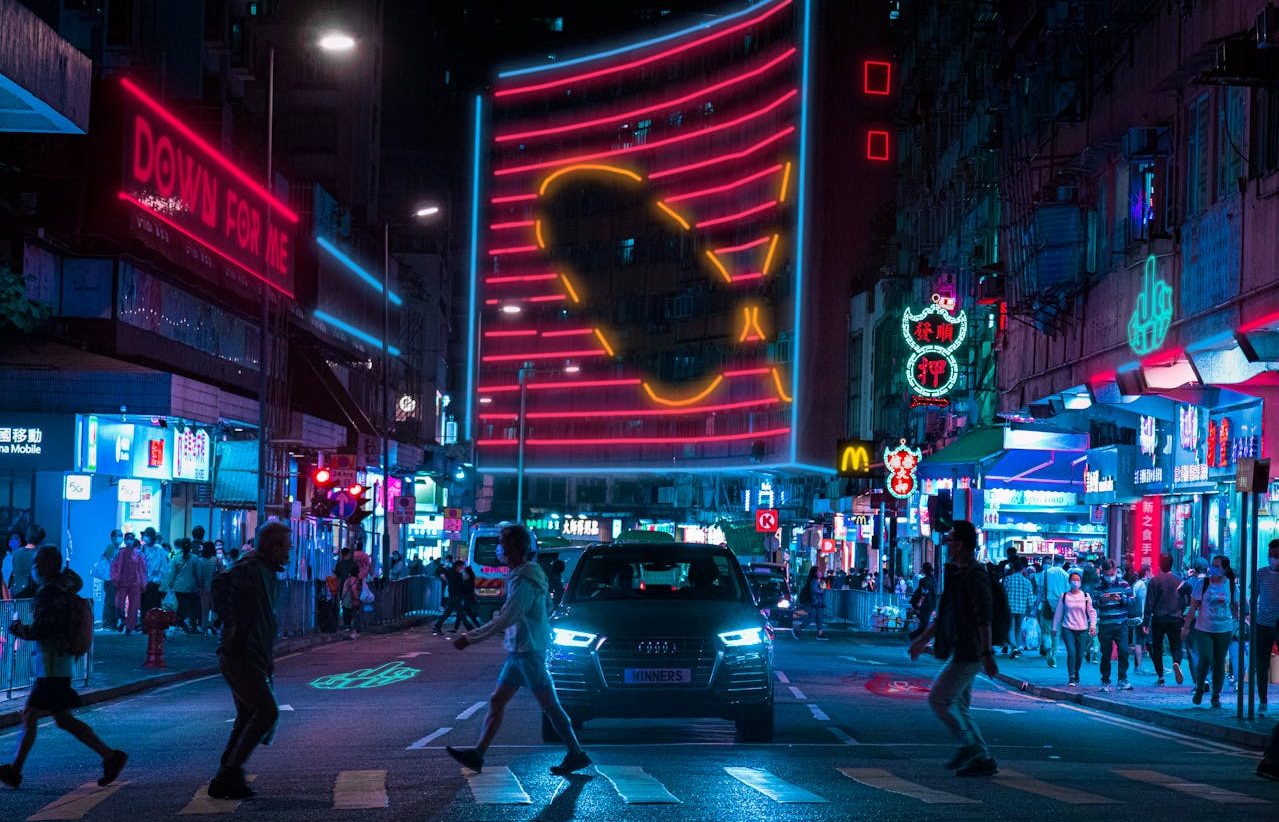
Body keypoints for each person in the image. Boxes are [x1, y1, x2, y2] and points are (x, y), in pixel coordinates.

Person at [446, 524, 590, 776]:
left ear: (514, 548)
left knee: (550, 705)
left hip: (529, 651)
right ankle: (478, 754)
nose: (499, 548)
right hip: (519, 651)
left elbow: (508, 616)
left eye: (502, 542)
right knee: (497, 700)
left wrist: (470, 638)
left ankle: (576, 753)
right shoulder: (522, 575)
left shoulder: (525, 579)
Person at [0, 547, 128, 790]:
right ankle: (109, 756)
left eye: (38, 563)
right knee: (58, 718)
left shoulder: (49, 593)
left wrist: (17, 628)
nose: (34, 568)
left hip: (51, 665)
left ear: (47, 565)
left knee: (39, 716)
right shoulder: (64, 588)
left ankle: (110, 756)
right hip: (58, 663)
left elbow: (42, 628)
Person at [207, 522, 291, 800]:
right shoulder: (251, 569)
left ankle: (226, 774)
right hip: (241, 653)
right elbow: (219, 585)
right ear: (274, 547)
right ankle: (230, 771)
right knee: (266, 712)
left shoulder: (265, 571)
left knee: (247, 715)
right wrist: (232, 625)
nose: (289, 551)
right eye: (287, 546)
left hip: (252, 653)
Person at [909, 520, 999, 777]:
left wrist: (987, 653)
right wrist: (921, 641)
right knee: (959, 706)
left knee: (938, 699)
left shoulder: (975, 575)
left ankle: (968, 745)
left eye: (950, 541)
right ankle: (982, 757)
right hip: (961, 648)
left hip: (971, 651)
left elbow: (984, 616)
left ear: (961, 545)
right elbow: (944, 614)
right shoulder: (955, 573)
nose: (947, 545)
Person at [1184, 555, 1239, 708]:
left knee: (1219, 662)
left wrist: (1236, 621)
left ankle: (1216, 696)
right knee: (1206, 658)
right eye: (1212, 565)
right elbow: (1193, 607)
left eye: (1217, 566)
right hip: (1204, 629)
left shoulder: (1231, 586)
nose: (1213, 568)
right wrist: (1186, 627)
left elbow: (1237, 606)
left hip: (1224, 630)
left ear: (1225, 569)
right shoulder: (1202, 584)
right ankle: (1200, 687)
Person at [1092, 559, 1134, 692]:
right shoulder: (1098, 586)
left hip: (1121, 624)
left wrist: (1121, 599)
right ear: (1103, 572)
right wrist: (1102, 599)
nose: (1109, 577)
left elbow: (1132, 602)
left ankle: (1122, 679)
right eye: (1107, 574)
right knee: (1106, 654)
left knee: (1124, 651)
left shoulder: (1124, 584)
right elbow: (1093, 603)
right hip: (1105, 625)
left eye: (1111, 574)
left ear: (1115, 571)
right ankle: (1105, 681)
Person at [1144, 554, 1185, 687]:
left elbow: (1149, 602)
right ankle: (1177, 663)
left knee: (1157, 647)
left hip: (1159, 618)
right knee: (1176, 646)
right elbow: (1184, 601)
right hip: (1176, 618)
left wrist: (1146, 621)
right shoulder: (1179, 581)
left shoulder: (1154, 581)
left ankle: (1161, 676)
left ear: (1160, 564)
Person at [1052, 571, 1097, 686]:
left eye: (1077, 580)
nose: (1075, 582)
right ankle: (1071, 676)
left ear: (1081, 582)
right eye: (1073, 579)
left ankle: (1076, 671)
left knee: (1080, 654)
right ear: (1069, 582)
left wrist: (1092, 625)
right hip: (1068, 628)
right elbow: (1058, 613)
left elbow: (1091, 612)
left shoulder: (1086, 596)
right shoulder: (1065, 596)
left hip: (1082, 629)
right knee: (1071, 652)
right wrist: (1054, 628)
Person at [1254, 540, 1279, 715]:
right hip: (1262, 624)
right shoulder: (1261, 573)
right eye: (1270, 555)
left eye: (1276, 555)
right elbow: (1253, 595)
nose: (1273, 558)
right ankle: (1263, 700)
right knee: (1262, 665)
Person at [109, 533, 147, 635]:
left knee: (134, 607)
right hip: (122, 582)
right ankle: (123, 620)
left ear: (133, 540)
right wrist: (114, 579)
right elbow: (114, 566)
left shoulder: (139, 554)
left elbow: (142, 570)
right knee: (118, 605)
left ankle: (129, 627)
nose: (129, 541)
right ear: (124, 540)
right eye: (127, 539)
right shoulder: (120, 553)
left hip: (135, 583)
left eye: (131, 539)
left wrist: (143, 583)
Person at [1040, 555, 1070, 667]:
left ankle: (1047, 647)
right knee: (1056, 632)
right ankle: (1054, 656)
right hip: (1060, 605)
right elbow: (1068, 593)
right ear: (1063, 562)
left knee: (1046, 630)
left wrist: (1035, 607)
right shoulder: (1066, 575)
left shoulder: (1046, 573)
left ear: (1053, 561)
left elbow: (1041, 591)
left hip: (1047, 604)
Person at [167, 542, 201, 634]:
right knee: (193, 607)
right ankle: (193, 626)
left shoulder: (176, 558)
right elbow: (198, 573)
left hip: (179, 587)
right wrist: (199, 584)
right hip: (192, 587)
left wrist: (170, 584)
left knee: (181, 606)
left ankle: (180, 623)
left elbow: (173, 573)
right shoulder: (195, 558)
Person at [1001, 566, 1032, 658]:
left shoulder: (1007, 579)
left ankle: (1014, 647)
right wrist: (1029, 610)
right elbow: (1030, 599)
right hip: (1022, 609)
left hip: (1009, 607)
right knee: (1018, 629)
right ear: (1022, 570)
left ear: (1013, 569)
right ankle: (1017, 648)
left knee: (1010, 628)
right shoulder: (1027, 581)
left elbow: (1004, 593)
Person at [97, 530, 123, 631]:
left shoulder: (119, 549)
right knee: (110, 601)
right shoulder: (110, 547)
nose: (119, 538)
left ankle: (112, 623)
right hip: (110, 579)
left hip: (116, 579)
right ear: (112, 538)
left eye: (120, 536)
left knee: (114, 601)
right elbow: (112, 562)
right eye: (117, 536)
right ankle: (108, 623)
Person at [8, 525, 43, 599]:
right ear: (40, 539)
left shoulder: (16, 553)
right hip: (32, 594)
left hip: (16, 592)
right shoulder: (39, 554)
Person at [434, 560, 468, 636]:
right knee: (461, 615)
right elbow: (454, 586)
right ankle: (472, 630)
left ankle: (437, 626)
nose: (462, 568)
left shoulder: (455, 573)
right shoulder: (454, 574)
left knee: (450, 613)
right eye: (461, 567)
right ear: (457, 566)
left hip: (455, 597)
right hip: (455, 597)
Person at [139, 528, 169, 613]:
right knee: (143, 604)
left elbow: (164, 567)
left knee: (154, 605)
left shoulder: (159, 549)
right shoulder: (142, 549)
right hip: (143, 583)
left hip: (155, 583)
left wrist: (158, 580)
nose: (146, 538)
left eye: (148, 536)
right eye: (145, 535)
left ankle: (153, 624)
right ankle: (143, 623)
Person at [794, 566, 827, 640]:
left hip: (819, 602)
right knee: (811, 617)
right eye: (819, 571)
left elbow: (823, 589)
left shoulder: (821, 581)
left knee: (819, 618)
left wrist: (821, 588)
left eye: (821, 571)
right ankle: (798, 629)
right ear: (815, 573)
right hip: (813, 603)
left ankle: (820, 634)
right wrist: (820, 590)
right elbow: (814, 590)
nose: (820, 573)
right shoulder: (813, 581)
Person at [908, 563, 937, 641]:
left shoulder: (924, 580)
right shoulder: (934, 580)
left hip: (925, 604)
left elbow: (924, 592)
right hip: (931, 604)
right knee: (924, 623)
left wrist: (920, 602)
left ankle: (912, 637)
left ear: (924, 570)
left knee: (924, 624)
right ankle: (915, 637)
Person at [1131, 564, 1151, 674]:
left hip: (1136, 615)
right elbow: (1143, 602)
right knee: (1140, 641)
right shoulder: (1143, 585)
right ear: (1147, 572)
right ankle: (1138, 666)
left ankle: (1138, 666)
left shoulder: (1136, 584)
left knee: (1139, 640)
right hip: (1141, 616)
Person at [455, 566, 480, 631]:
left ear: (468, 574)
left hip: (466, 599)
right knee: (467, 613)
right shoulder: (467, 580)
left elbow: (466, 590)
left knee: (462, 613)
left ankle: (471, 628)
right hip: (466, 599)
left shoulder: (469, 582)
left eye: (464, 573)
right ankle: (456, 628)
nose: (463, 574)